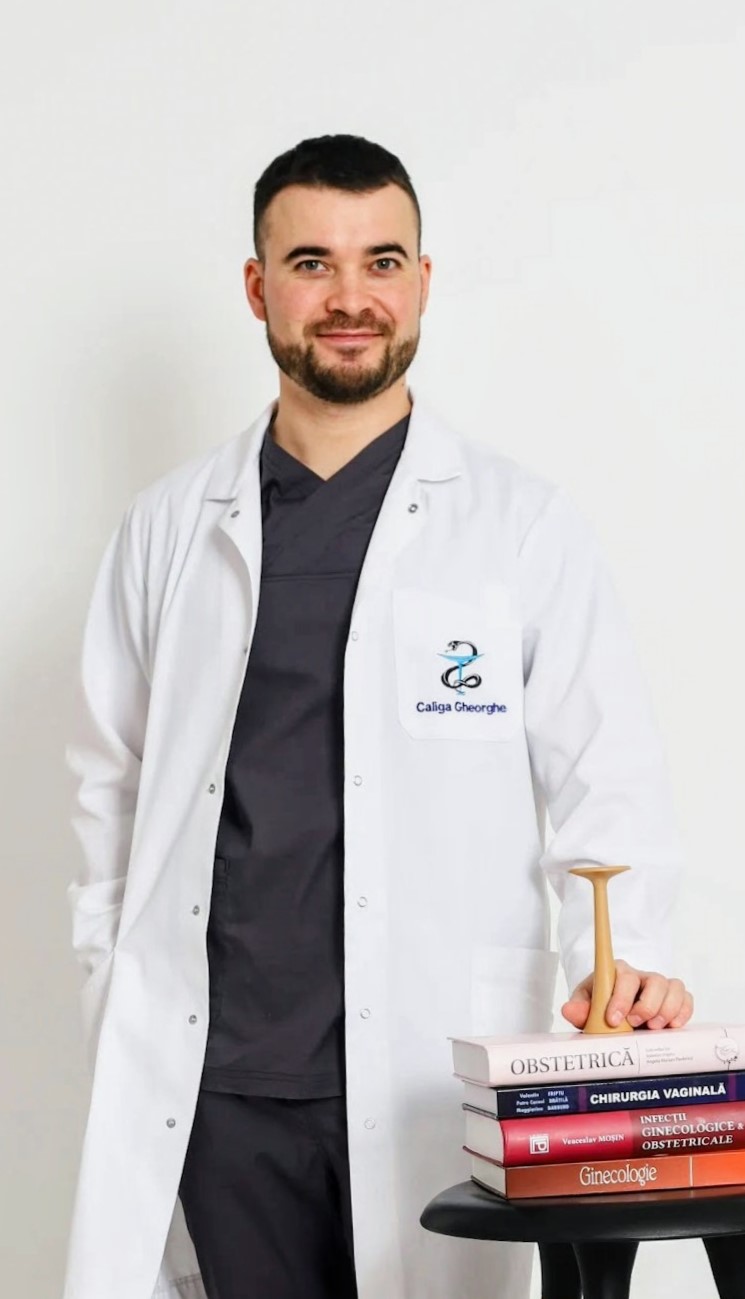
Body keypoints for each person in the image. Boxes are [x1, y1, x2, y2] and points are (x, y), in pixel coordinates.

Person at [63, 134, 693, 1299]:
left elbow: (602, 775)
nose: (349, 297)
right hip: (219, 1083)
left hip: (428, 1069)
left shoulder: (516, 525)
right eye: (311, 262)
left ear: (421, 281)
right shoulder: (167, 529)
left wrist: (632, 957)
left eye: (381, 261)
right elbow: (110, 781)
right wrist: (114, 977)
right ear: (257, 286)